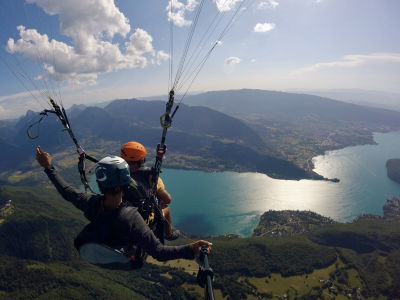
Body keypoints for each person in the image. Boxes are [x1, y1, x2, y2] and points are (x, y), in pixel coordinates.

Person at [36, 146, 211, 269]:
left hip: (103, 246)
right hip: (131, 261)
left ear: (100, 184)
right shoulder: (131, 218)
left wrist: (48, 166)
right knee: (158, 212)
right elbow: (159, 252)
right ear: (127, 184)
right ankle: (169, 233)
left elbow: (67, 191)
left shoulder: (90, 203)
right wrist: (191, 248)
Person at [120, 141, 180, 240]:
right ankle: (168, 234)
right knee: (166, 208)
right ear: (140, 161)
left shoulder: (117, 174)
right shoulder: (149, 177)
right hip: (143, 218)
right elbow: (167, 199)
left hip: (122, 215)